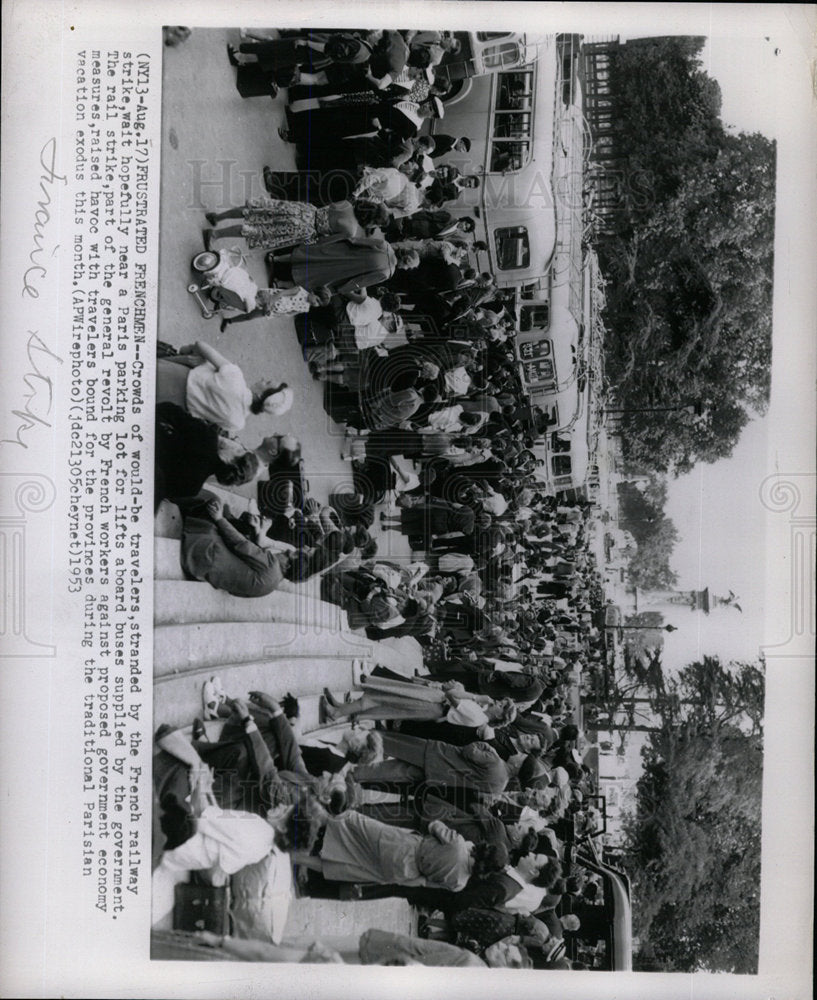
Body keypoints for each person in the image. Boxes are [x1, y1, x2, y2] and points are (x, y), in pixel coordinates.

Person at [293, 810, 505, 893]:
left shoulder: (458, 844)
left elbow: (433, 825)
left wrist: (465, 843)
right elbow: (426, 883)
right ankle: (298, 858)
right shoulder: (460, 883)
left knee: (351, 821)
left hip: (401, 845)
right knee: (345, 868)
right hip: (403, 873)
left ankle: (307, 814)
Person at [156, 341, 293, 433]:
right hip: (175, 407)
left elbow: (201, 344)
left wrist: (189, 351)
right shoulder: (237, 423)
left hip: (175, 377)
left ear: (261, 395)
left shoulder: (235, 376)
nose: (262, 379)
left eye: (267, 383)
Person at [176, 492, 292, 597]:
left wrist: (219, 519)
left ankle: (168, 493)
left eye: (287, 554)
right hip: (202, 572)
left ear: (288, 566)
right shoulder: (270, 587)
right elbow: (235, 591)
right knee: (226, 512)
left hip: (202, 551)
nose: (284, 551)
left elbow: (239, 543)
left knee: (214, 501)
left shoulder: (272, 565)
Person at [154, 403, 259, 510]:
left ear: (231, 460)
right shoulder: (192, 489)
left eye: (240, 448)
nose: (235, 442)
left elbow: (167, 408)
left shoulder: (208, 437)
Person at [353, 732, 510, 795]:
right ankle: (356, 774)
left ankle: (359, 738)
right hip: (438, 776)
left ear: (518, 766)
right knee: (396, 771)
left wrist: (485, 746)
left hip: (437, 754)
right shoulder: (498, 789)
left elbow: (468, 751)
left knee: (393, 744)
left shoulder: (496, 761)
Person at [270, 236, 413, 296]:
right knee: (315, 280)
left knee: (312, 255)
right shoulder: (387, 273)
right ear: (405, 263)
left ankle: (275, 258)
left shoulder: (385, 245)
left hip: (343, 253)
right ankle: (280, 283)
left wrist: (343, 239)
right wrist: (342, 289)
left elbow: (357, 240)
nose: (407, 270)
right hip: (344, 273)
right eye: (409, 267)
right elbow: (361, 281)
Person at [204, 198, 366, 251]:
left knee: (258, 210)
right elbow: (323, 241)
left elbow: (327, 206)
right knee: (259, 231)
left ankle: (218, 217)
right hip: (305, 228)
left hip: (305, 210)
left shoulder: (347, 204)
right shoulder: (351, 230)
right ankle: (216, 234)